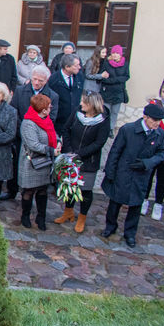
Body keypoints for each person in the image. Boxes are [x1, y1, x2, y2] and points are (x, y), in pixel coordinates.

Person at [102, 103, 164, 247]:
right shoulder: (128, 130)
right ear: (145, 117)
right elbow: (115, 151)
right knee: (115, 203)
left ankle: (130, 233)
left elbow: (161, 153)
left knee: (136, 205)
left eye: (159, 121)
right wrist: (110, 172)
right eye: (154, 120)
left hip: (141, 175)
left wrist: (147, 163)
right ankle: (110, 227)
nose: (157, 123)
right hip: (123, 172)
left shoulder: (159, 134)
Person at [54, 91, 110, 232]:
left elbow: (99, 143)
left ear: (92, 105)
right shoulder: (77, 113)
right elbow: (66, 129)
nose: (81, 104)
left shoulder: (103, 120)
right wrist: (69, 149)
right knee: (70, 186)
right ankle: (68, 211)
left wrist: (79, 154)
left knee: (85, 191)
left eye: (84, 102)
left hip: (88, 161)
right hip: (71, 155)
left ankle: (82, 217)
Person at [5, 65, 60, 199]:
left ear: (46, 80)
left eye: (40, 80)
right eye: (34, 79)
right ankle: (12, 191)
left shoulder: (52, 96)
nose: (36, 83)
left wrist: (34, 133)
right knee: (16, 163)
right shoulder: (20, 90)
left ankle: (36, 190)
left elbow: (51, 118)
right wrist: (23, 130)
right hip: (20, 135)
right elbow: (14, 112)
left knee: (37, 166)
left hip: (39, 138)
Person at [18, 94, 60, 231]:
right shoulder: (28, 123)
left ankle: (41, 217)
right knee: (28, 191)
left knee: (43, 190)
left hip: (45, 162)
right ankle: (25, 215)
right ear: (42, 109)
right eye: (48, 106)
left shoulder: (46, 119)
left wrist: (58, 142)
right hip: (31, 163)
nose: (51, 107)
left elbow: (53, 134)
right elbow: (33, 145)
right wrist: (51, 150)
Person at [141, 77, 164, 221]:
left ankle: (158, 204)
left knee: (162, 178)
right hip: (151, 149)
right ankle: (144, 200)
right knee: (147, 176)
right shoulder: (154, 105)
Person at [48, 54, 85, 135]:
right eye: (76, 65)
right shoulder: (54, 80)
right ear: (67, 67)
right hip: (59, 122)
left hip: (74, 120)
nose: (79, 67)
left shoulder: (80, 76)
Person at [100, 44, 130, 133]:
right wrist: (115, 80)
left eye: (117, 53)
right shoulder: (106, 63)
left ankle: (111, 129)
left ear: (120, 54)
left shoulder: (125, 64)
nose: (115, 55)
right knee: (106, 112)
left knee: (114, 112)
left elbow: (126, 76)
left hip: (118, 92)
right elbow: (103, 77)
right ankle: (104, 129)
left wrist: (114, 79)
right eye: (113, 53)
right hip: (107, 91)